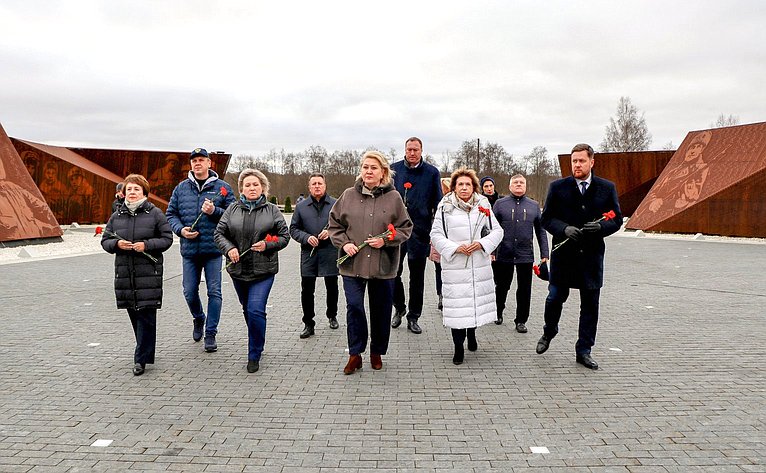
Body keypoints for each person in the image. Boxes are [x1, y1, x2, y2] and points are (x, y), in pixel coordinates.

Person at [536, 143, 622, 370]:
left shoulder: (606, 188)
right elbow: (546, 219)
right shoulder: (558, 187)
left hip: (591, 258)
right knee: (554, 297)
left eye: (581, 161)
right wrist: (564, 229)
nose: (577, 165)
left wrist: (601, 229)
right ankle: (549, 331)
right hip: (564, 256)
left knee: (590, 306)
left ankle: (584, 350)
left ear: (591, 162)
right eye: (574, 161)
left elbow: (616, 219)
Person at [328, 151, 413, 374]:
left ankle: (376, 352)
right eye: (365, 167)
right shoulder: (347, 195)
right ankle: (355, 354)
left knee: (381, 310)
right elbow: (334, 226)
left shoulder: (394, 198)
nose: (368, 171)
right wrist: (344, 243)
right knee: (354, 307)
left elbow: (405, 228)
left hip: (382, 265)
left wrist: (385, 240)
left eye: (373, 168)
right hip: (352, 264)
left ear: (383, 172)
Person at [214, 169, 289, 373]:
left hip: (263, 270)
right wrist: (229, 249)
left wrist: (268, 245)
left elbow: (284, 236)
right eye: (247, 185)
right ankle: (258, 338)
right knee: (248, 310)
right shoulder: (232, 209)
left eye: (255, 184)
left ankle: (254, 353)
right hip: (238, 270)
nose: (252, 188)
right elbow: (219, 233)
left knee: (256, 309)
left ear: (262, 187)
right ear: (241, 189)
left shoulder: (272, 210)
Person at [100, 174, 173, 376]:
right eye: (129, 189)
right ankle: (146, 351)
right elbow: (105, 241)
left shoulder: (155, 213)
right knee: (134, 312)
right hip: (125, 273)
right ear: (123, 193)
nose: (132, 193)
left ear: (144, 193)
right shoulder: (117, 215)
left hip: (148, 272)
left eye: (136, 189)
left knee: (146, 315)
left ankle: (140, 359)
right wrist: (116, 244)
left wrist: (146, 245)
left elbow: (167, 239)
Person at [430, 168, 503, 365]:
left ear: (473, 187)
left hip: (478, 263)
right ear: (453, 187)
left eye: (467, 184)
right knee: (457, 308)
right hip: (455, 265)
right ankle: (458, 347)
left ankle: (472, 333)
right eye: (460, 184)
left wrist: (482, 244)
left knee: (473, 304)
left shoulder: (483, 204)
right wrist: (455, 248)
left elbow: (497, 231)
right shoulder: (444, 206)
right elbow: (435, 235)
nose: (464, 188)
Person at [166, 148, 235, 353]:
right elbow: (171, 214)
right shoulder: (181, 188)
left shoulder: (223, 188)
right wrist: (180, 230)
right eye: (194, 160)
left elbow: (232, 215)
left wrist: (214, 211)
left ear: (209, 163)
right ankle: (199, 318)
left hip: (213, 249)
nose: (198, 163)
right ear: (191, 165)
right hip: (189, 250)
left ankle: (211, 333)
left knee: (214, 291)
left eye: (201, 160)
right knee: (189, 292)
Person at [391, 137, 442, 334]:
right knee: (393, 272)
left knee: (417, 277)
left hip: (420, 232)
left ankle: (414, 316)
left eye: (416, 150)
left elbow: (437, 203)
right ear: (404, 150)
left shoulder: (431, 173)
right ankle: (399, 307)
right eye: (409, 149)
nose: (412, 153)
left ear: (421, 151)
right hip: (395, 231)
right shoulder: (394, 170)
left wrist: (436, 231)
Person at [492, 174, 549, 330]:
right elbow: (490, 228)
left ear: (526, 186)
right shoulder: (500, 204)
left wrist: (545, 254)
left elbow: (541, 230)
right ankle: (497, 312)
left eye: (521, 182)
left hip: (525, 254)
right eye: (515, 182)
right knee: (502, 285)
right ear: (510, 186)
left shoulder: (533, 205)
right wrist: (491, 251)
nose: (518, 185)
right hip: (504, 252)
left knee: (524, 289)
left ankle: (521, 320)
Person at [289, 173, 339, 338]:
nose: (317, 186)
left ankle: (332, 315)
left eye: (320, 183)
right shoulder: (302, 207)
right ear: (309, 187)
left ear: (325, 186)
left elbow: (344, 225)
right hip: (308, 252)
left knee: (332, 286)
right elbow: (294, 229)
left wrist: (330, 232)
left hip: (330, 251)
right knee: (307, 290)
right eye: (314, 184)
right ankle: (308, 323)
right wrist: (306, 237)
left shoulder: (335, 204)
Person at [429, 177, 452, 311]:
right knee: (439, 269)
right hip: (438, 240)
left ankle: (448, 295)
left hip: (452, 240)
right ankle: (441, 295)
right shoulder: (436, 204)